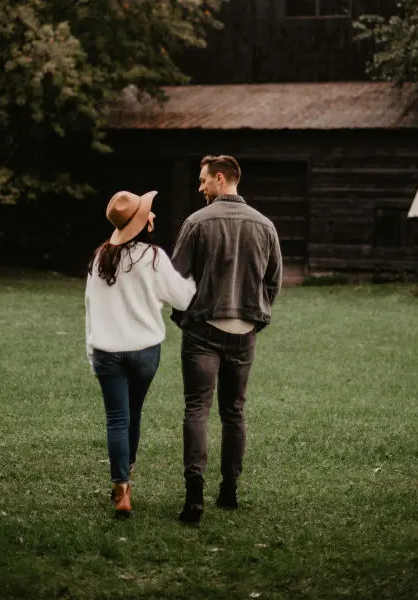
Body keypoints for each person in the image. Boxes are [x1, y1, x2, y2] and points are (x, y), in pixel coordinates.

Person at [171, 155, 282, 525]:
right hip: (244, 332)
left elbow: (175, 279)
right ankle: (230, 490)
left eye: (204, 180)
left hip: (202, 330)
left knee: (196, 409)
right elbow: (274, 282)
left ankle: (194, 495)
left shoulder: (196, 222)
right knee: (234, 412)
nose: (200, 187)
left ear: (221, 179)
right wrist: (253, 317)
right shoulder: (265, 226)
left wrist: (184, 316)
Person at [86, 189, 196, 518]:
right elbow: (184, 299)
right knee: (133, 414)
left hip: (106, 351)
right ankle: (126, 472)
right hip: (145, 352)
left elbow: (90, 310)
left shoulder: (99, 258)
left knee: (116, 419)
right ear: (140, 223)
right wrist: (193, 279)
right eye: (148, 213)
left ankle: (122, 489)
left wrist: (91, 352)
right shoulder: (153, 258)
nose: (153, 216)